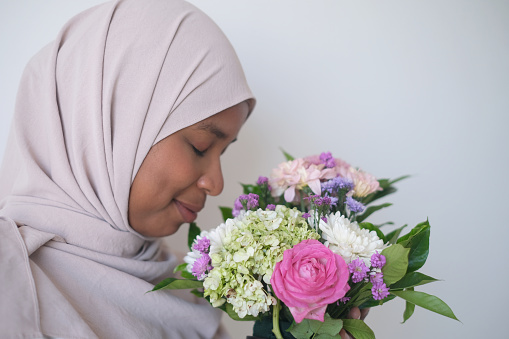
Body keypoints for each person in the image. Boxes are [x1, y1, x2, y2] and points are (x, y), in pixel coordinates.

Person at [0, 0, 365, 338]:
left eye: (222, 153)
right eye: (200, 146)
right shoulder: (9, 277)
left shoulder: (187, 292)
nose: (216, 183)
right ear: (110, 125)